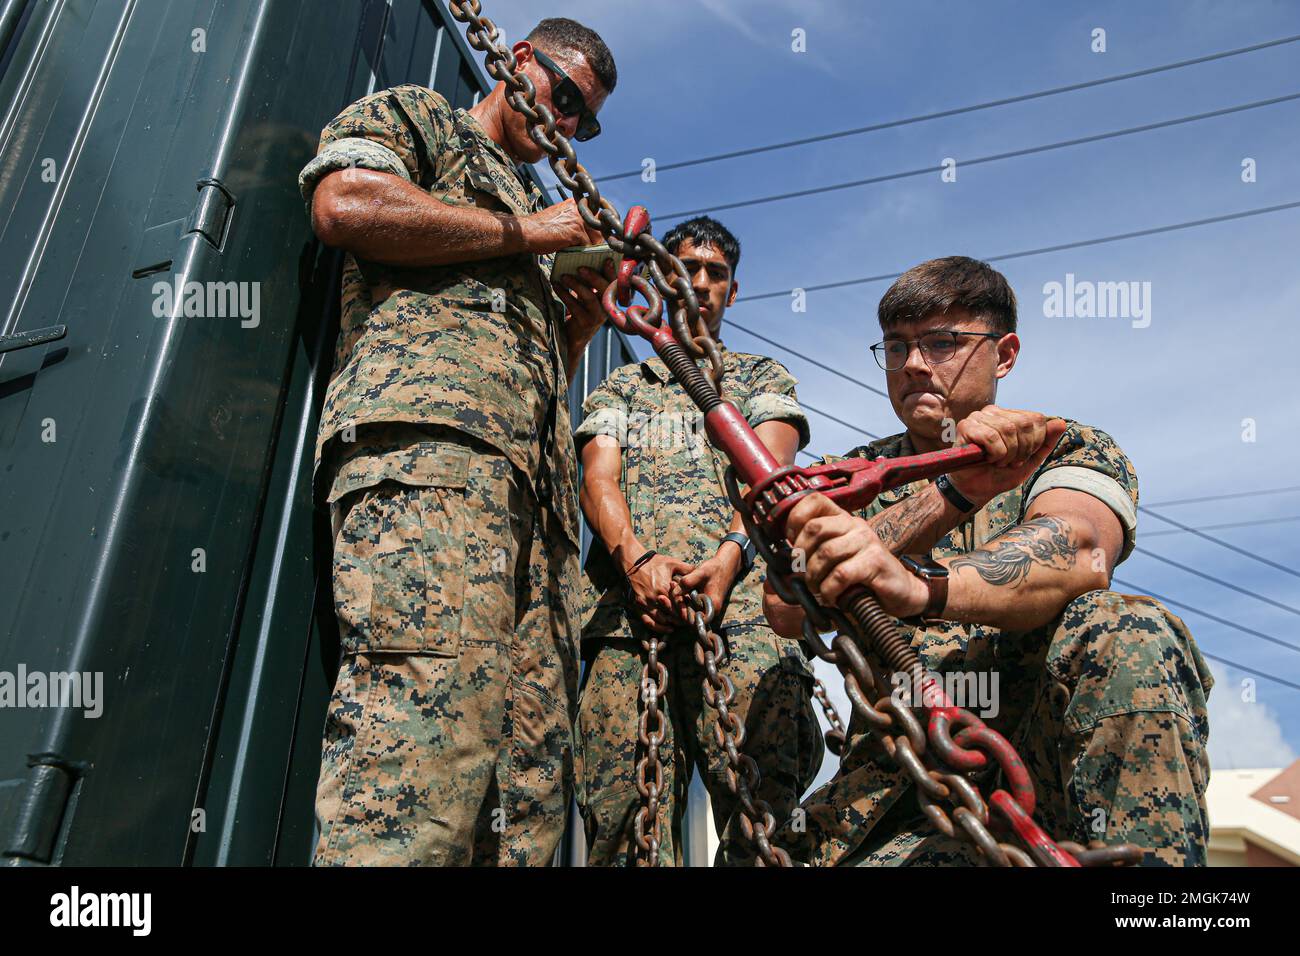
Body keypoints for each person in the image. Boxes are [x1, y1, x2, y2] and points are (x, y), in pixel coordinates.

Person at [765, 256, 1213, 866]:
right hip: (901, 796)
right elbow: (783, 606)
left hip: (1050, 773)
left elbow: (1079, 546)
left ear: (1004, 355)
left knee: (1126, 628)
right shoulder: (850, 479)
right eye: (896, 347)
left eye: (942, 342)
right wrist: (952, 494)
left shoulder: (1062, 446)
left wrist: (919, 584)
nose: (914, 364)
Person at [297, 17, 618, 866]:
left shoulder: (526, 201)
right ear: (519, 62)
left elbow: (513, 347)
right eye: (567, 97)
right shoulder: (422, 118)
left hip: (539, 517)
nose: (571, 128)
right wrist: (533, 236)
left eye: (587, 122)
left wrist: (574, 334)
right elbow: (346, 205)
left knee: (528, 791)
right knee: (417, 756)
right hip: (433, 464)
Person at [574, 216, 824, 865]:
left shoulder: (760, 378)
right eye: (687, 268)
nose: (702, 283)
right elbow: (599, 478)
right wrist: (636, 560)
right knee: (624, 821)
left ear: (732, 292)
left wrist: (728, 557)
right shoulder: (625, 386)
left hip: (741, 620)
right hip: (633, 623)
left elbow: (773, 475)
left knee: (764, 821)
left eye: (717, 273)